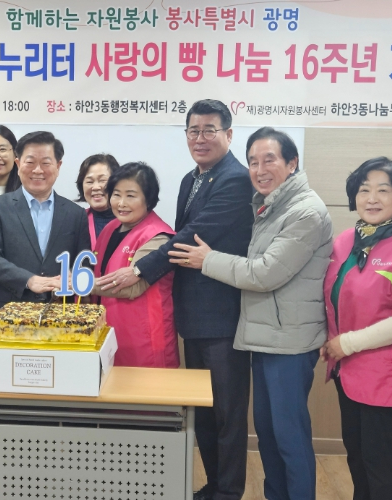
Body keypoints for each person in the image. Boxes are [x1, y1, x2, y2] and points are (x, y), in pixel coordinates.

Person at [174, 127, 332, 500]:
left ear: (292, 163)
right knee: (269, 434)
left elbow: (264, 273)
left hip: (290, 343)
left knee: (289, 436)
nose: (260, 170)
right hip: (266, 336)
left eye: (269, 160)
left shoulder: (305, 212)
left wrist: (207, 259)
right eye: (253, 162)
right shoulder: (269, 205)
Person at [107, 99, 253, 500]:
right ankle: (213, 485)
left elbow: (190, 236)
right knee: (202, 408)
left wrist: (139, 269)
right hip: (192, 315)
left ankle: (229, 492)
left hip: (222, 316)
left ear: (228, 134)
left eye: (209, 130)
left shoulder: (236, 179)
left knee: (227, 412)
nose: (200, 138)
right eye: (193, 130)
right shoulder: (192, 179)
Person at [321, 157, 392, 500]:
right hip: (345, 369)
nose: (372, 199)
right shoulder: (345, 241)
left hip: (383, 375)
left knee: (381, 462)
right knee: (357, 455)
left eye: (383, 190)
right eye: (364, 190)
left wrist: (346, 343)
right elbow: (332, 298)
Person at [0, 131, 91, 317]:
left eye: (46, 163)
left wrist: (74, 277)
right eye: (30, 162)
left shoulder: (76, 214)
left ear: (58, 166)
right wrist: (28, 280)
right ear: (18, 164)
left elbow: (84, 262)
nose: (38, 170)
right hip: (7, 311)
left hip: (60, 312)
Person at [92, 162, 179, 367]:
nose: (121, 203)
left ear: (148, 199)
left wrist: (79, 284)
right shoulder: (111, 228)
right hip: (111, 334)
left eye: (131, 196)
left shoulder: (159, 236)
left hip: (144, 339)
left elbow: (132, 287)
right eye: (116, 194)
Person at [74, 153, 119, 250]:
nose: (95, 187)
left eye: (102, 180)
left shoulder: (130, 221)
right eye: (89, 182)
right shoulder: (75, 221)